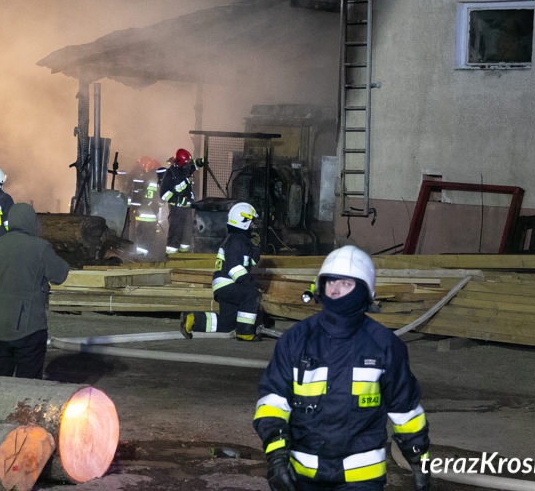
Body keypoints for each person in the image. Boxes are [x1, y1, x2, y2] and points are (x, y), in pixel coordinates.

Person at [253, 245, 430, 491]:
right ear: (320, 286)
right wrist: (276, 457)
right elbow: (273, 402)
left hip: (361, 478)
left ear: (364, 290)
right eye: (331, 282)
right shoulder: (295, 340)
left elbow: (405, 411)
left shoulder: (385, 346)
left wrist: (419, 460)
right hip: (301, 474)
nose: (336, 290)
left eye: (346, 284)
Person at [0, 202, 69, 378]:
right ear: (32, 222)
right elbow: (60, 274)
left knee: (0, 378)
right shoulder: (39, 247)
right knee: (28, 384)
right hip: (29, 326)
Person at [180, 202, 263, 341]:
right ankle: (245, 332)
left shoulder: (239, 240)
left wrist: (255, 249)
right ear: (243, 221)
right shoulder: (237, 241)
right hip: (228, 284)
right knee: (252, 295)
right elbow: (234, 268)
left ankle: (193, 319)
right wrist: (250, 285)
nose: (254, 225)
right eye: (252, 222)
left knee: (227, 323)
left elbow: (249, 263)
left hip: (224, 285)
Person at [158, 148, 205, 254]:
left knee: (187, 235)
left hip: (187, 209)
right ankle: (171, 258)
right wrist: (178, 199)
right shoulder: (170, 174)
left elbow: (192, 166)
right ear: (179, 163)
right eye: (186, 164)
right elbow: (163, 195)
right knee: (175, 234)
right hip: (176, 210)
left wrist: (199, 162)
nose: (188, 166)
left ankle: (184, 256)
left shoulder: (184, 170)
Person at [127, 156, 162, 257]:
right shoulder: (157, 182)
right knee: (149, 237)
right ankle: (146, 256)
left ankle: (139, 255)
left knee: (140, 235)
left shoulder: (142, 179)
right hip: (151, 216)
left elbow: (134, 195)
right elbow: (161, 200)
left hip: (140, 214)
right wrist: (157, 205)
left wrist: (132, 208)